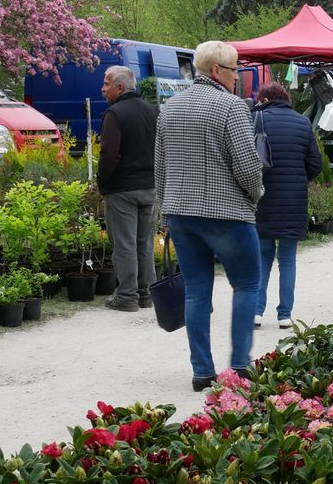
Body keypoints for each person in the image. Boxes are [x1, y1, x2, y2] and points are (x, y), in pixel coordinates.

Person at [155, 40, 264, 392]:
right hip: (226, 212)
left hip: (180, 212)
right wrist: (256, 195)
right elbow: (247, 166)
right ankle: (240, 366)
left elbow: (161, 167)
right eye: (234, 70)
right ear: (216, 71)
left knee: (197, 291)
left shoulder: (169, 107)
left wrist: (166, 207)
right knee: (246, 283)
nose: (238, 77)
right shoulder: (232, 107)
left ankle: (202, 371)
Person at [251, 83, 322, 330]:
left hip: (262, 197)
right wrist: (298, 178)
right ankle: (284, 314)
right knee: (288, 259)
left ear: (265, 99)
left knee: (262, 256)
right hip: (293, 200)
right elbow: (315, 164)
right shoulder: (302, 123)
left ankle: (256, 313)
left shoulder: (256, 119)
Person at [97, 65, 160, 312]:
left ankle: (126, 297)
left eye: (106, 83)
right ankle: (146, 294)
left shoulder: (115, 113)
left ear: (120, 87)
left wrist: (103, 183)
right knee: (144, 242)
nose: (102, 89)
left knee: (124, 244)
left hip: (122, 189)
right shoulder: (152, 111)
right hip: (149, 187)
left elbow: (109, 155)